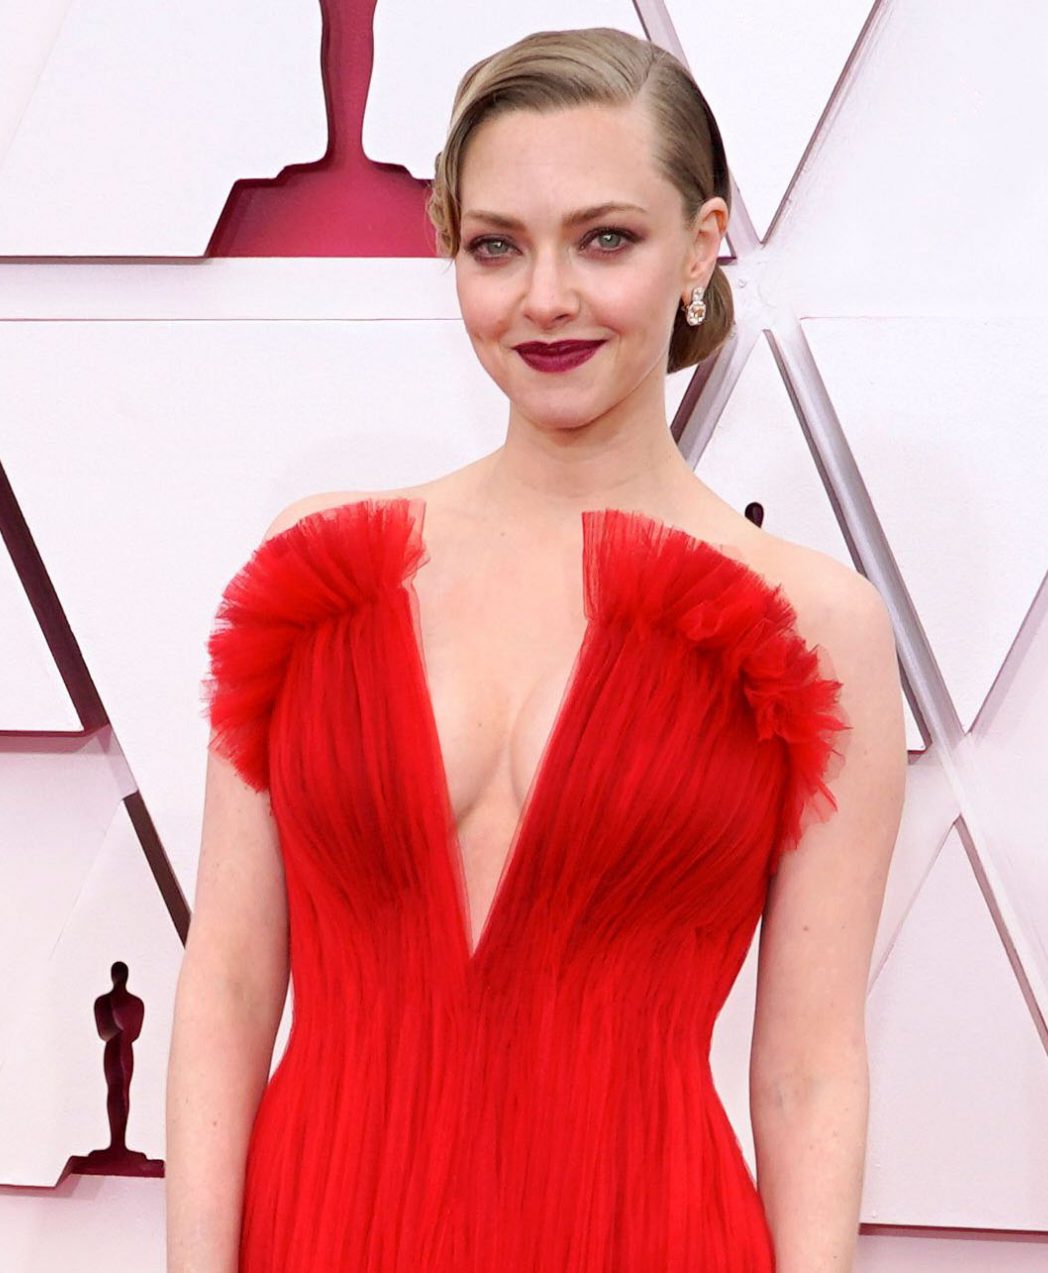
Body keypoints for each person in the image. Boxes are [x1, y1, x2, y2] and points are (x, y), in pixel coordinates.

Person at [165, 27, 902, 1272]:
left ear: (700, 246)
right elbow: (229, 983)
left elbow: (808, 1069)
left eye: (604, 239)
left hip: (643, 1232)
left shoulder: (808, 623)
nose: (544, 298)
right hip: (324, 1224)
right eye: (496, 245)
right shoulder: (320, 573)